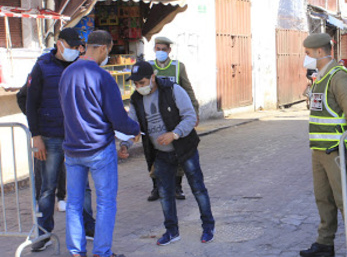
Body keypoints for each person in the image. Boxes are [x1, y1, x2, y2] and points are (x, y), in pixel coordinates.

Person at [59, 30, 140, 257]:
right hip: (98, 149)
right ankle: (101, 252)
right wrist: (135, 130)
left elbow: (63, 110)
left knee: (74, 204)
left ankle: (76, 252)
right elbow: (117, 117)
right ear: (104, 48)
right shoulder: (103, 77)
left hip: (73, 149)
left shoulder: (67, 73)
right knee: (105, 203)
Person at [123, 61, 215, 246]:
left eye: (142, 82)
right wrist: (125, 144)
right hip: (161, 154)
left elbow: (190, 117)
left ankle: (208, 226)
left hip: (184, 150)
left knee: (198, 188)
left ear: (152, 78)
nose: (139, 87)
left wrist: (174, 134)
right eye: (136, 84)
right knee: (165, 194)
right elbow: (133, 126)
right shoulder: (136, 99)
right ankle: (172, 231)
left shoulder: (173, 90)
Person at [25, 28, 96, 252]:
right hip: (50, 136)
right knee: (47, 188)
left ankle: (88, 226)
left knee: (83, 186)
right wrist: (35, 136)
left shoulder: (79, 66)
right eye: (71, 46)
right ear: (59, 43)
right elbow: (30, 103)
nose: (75, 50)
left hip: (76, 137)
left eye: (78, 47)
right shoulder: (42, 67)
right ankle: (43, 233)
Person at [299, 33, 347, 257]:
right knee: (323, 198)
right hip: (319, 150)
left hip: (336, 150)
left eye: (308, 54)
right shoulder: (320, 77)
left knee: (345, 200)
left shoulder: (339, 76)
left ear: (320, 52)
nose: (306, 58)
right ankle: (324, 243)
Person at [147, 36, 200, 201]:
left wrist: (194, 111)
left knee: (178, 152)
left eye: (164, 49)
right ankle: (156, 187)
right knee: (154, 152)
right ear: (154, 49)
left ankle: (177, 186)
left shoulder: (178, 67)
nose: (160, 52)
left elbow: (188, 89)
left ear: (169, 50)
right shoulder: (148, 66)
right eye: (158, 48)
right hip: (154, 116)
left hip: (174, 117)